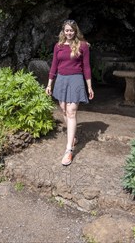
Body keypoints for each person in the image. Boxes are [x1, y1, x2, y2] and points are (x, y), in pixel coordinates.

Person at [45, 19, 94, 166]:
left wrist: (89, 86)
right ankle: (73, 137)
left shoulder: (83, 45)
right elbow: (54, 65)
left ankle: (69, 150)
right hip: (61, 80)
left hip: (76, 80)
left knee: (71, 112)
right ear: (63, 31)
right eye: (66, 30)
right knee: (64, 110)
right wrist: (49, 84)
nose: (69, 33)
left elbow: (86, 67)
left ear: (75, 31)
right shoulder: (58, 46)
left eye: (71, 30)